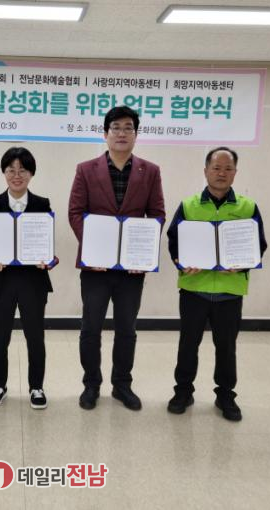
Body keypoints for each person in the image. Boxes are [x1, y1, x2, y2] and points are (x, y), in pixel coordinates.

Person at [68, 106, 165, 411]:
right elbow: (75, 212)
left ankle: (122, 385)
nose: (122, 133)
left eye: (128, 128)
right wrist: (93, 248)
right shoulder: (86, 169)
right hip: (95, 267)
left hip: (131, 270)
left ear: (136, 134)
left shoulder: (150, 171)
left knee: (126, 329)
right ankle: (91, 385)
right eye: (116, 127)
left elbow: (157, 215)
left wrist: (143, 254)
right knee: (91, 328)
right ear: (105, 133)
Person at [166, 147, 267, 422]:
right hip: (194, 289)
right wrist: (180, 261)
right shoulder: (189, 205)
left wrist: (244, 263)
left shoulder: (247, 207)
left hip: (229, 291)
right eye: (216, 168)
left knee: (226, 347)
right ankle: (183, 392)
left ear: (235, 173)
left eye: (227, 169)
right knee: (188, 344)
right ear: (205, 171)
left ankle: (225, 395)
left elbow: (259, 244)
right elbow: (174, 240)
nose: (221, 173)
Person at [0, 147, 57, 410]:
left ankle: (36, 387)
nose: (16, 175)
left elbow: (47, 246)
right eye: (11, 170)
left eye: (22, 170)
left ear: (31, 173)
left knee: (35, 337)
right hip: (0, 281)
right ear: (3, 173)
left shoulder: (42, 205)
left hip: (32, 282)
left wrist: (49, 259)